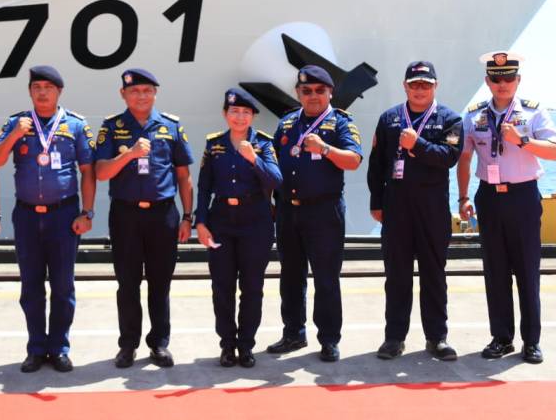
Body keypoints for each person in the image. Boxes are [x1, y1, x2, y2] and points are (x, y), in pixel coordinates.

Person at [0, 65, 96, 373]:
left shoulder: (75, 124)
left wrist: (87, 212)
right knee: (31, 285)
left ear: (59, 91)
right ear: (30, 92)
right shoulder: (17, 123)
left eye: (48, 87)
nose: (42, 92)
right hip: (26, 216)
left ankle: (59, 347)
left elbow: (88, 171)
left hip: (64, 215)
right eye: (37, 87)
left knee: (63, 285)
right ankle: (36, 348)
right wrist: (14, 135)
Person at [458, 51, 556, 364]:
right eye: (496, 78)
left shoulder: (533, 112)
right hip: (489, 197)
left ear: (518, 80)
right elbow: (464, 158)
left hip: (523, 196)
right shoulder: (474, 115)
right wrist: (463, 197)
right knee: (495, 270)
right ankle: (501, 338)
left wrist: (523, 141)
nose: (502, 84)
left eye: (508, 78)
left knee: (527, 270)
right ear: (487, 81)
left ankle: (531, 341)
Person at [95, 68, 194, 368]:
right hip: (125, 215)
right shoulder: (111, 127)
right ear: (123, 94)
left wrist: (187, 216)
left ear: (155, 94)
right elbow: (101, 172)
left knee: (160, 283)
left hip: (163, 214)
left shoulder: (170, 126)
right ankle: (128, 345)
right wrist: (129, 154)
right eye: (134, 91)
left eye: (147, 90)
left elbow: (184, 176)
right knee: (127, 283)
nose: (141, 96)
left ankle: (159, 343)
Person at [367, 61, 463, 361]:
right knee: (397, 275)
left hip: (432, 208)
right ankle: (394, 338)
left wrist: (418, 144)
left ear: (435, 86)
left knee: (433, 273)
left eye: (426, 84)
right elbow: (376, 164)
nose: (420, 89)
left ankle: (437, 338)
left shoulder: (450, 119)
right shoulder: (389, 119)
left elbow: (449, 157)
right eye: (414, 84)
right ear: (405, 86)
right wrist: (376, 202)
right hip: (396, 207)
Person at [267, 65, 363, 362]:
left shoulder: (341, 123)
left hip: (324, 211)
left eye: (320, 90)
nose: (313, 96)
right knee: (290, 276)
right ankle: (293, 333)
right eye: (306, 90)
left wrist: (325, 149)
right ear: (298, 93)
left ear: (330, 92)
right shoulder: (286, 124)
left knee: (326, 278)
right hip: (288, 210)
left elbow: (354, 160)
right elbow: (272, 163)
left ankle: (329, 339)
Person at [195, 88, 282, 368]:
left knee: (252, 287)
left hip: (255, 221)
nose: (240, 117)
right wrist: (201, 222)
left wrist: (254, 159)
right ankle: (227, 345)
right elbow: (204, 186)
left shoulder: (263, 144)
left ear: (253, 117)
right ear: (225, 114)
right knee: (222, 287)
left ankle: (246, 345)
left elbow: (276, 181)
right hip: (221, 221)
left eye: (246, 112)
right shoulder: (214, 144)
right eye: (234, 111)